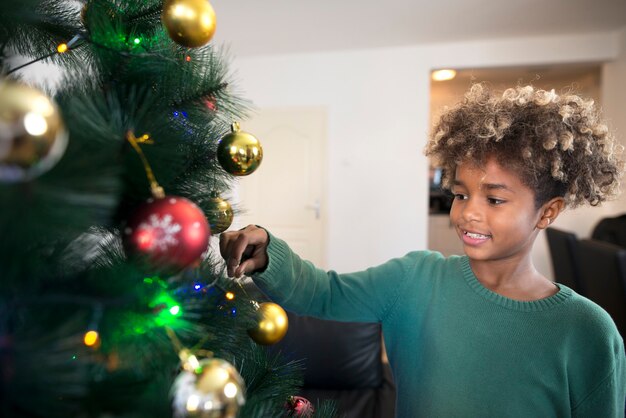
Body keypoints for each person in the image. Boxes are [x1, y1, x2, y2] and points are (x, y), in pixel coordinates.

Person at [220, 84, 626, 417]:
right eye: (461, 194)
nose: (468, 214)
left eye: (495, 200)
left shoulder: (586, 332)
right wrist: (268, 251)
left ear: (547, 212)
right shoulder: (416, 279)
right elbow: (324, 293)